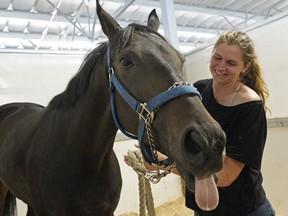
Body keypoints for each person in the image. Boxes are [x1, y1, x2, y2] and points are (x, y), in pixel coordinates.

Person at [126, 30, 275, 216]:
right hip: (204, 208)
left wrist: (163, 163)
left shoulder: (250, 107)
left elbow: (227, 175)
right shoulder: (197, 90)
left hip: (243, 211)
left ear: (244, 67)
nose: (221, 66)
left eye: (231, 63)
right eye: (217, 57)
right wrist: (153, 152)